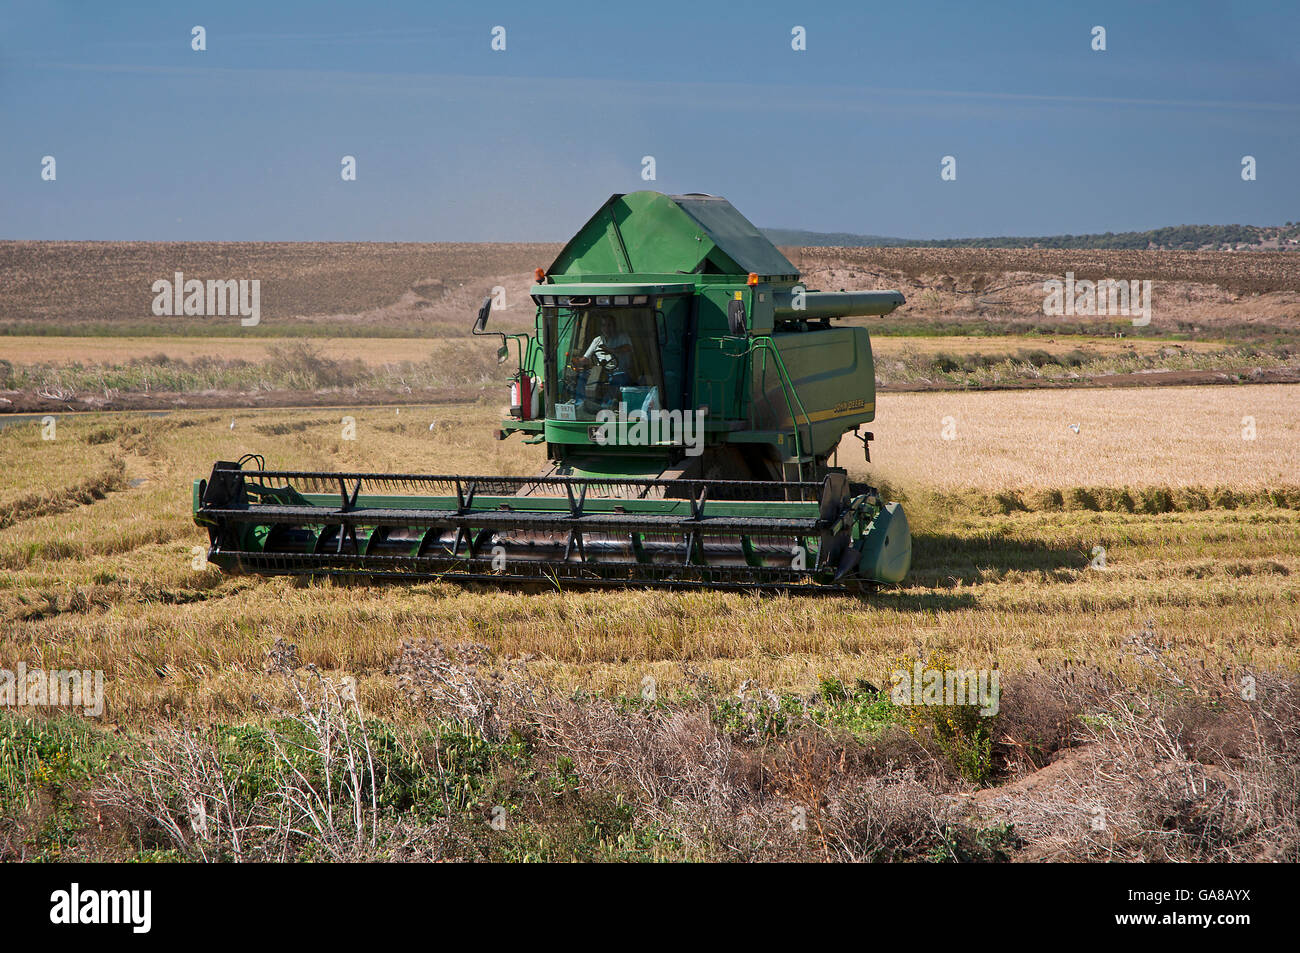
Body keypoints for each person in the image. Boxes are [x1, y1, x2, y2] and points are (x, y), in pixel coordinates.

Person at [573, 313, 633, 401]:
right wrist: (577, 362)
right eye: (604, 325)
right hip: (600, 373)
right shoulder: (597, 340)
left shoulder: (623, 337)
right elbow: (586, 358)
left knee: (617, 381)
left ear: (614, 326)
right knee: (583, 377)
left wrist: (610, 350)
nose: (606, 328)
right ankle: (580, 403)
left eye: (609, 325)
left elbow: (627, 348)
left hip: (619, 372)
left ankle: (608, 406)